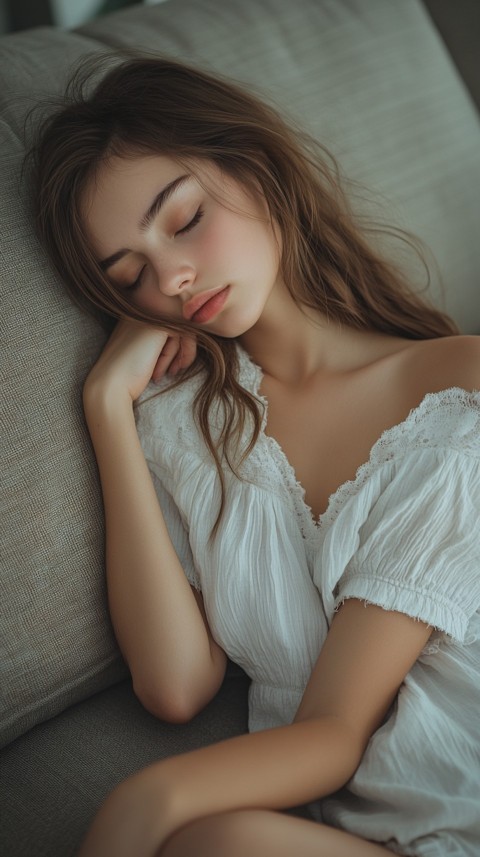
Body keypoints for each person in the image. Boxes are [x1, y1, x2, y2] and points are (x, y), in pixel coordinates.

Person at [31, 55, 480, 857]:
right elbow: (174, 684)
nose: (170, 277)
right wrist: (105, 406)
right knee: (219, 842)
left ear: (256, 168)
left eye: (185, 218)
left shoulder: (458, 388)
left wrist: (147, 794)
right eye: (129, 276)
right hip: (371, 840)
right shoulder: (178, 429)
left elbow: (335, 731)